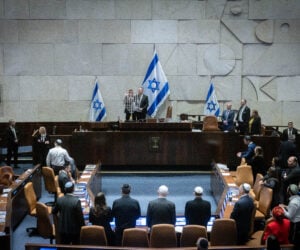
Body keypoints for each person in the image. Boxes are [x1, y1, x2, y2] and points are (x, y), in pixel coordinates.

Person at [280, 184, 300, 248]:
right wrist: (286, 207)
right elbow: (294, 209)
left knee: (293, 239)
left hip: (295, 223)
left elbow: (289, 216)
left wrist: (282, 208)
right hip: (298, 220)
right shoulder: (298, 198)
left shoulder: (293, 202)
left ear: (289, 192)